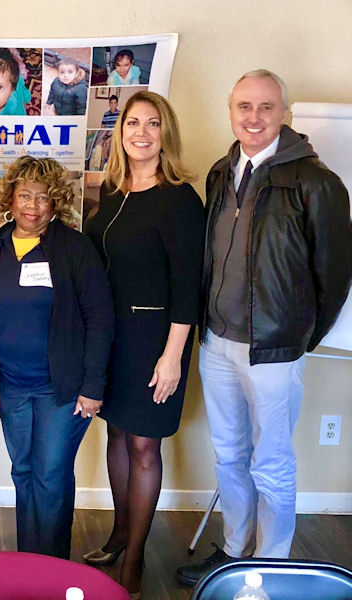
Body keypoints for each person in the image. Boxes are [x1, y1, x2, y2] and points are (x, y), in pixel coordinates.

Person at [176, 70, 352, 586]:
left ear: (284, 112)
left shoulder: (315, 182)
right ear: (231, 110)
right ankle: (234, 552)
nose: (254, 117)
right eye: (244, 106)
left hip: (274, 350)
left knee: (270, 462)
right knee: (229, 454)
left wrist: (299, 338)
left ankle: (270, 562)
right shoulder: (219, 171)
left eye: (266, 107)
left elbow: (334, 275)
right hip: (216, 343)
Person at [84, 91, 204, 599]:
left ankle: (133, 564)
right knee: (115, 436)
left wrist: (173, 356)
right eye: (133, 122)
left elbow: (188, 287)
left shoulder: (179, 198)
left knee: (143, 445)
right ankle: (119, 533)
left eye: (152, 124)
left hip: (157, 340)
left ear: (165, 134)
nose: (142, 132)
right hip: (112, 338)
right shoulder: (111, 194)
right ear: (121, 132)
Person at [0, 155, 115, 559]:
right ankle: (28, 563)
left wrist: (92, 386)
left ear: (56, 203)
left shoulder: (74, 249)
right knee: (23, 473)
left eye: (42, 197)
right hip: (11, 387)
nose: (32, 206)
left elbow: (100, 319)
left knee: (50, 475)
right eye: (24, 195)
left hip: (62, 390)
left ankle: (52, 567)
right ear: (10, 199)